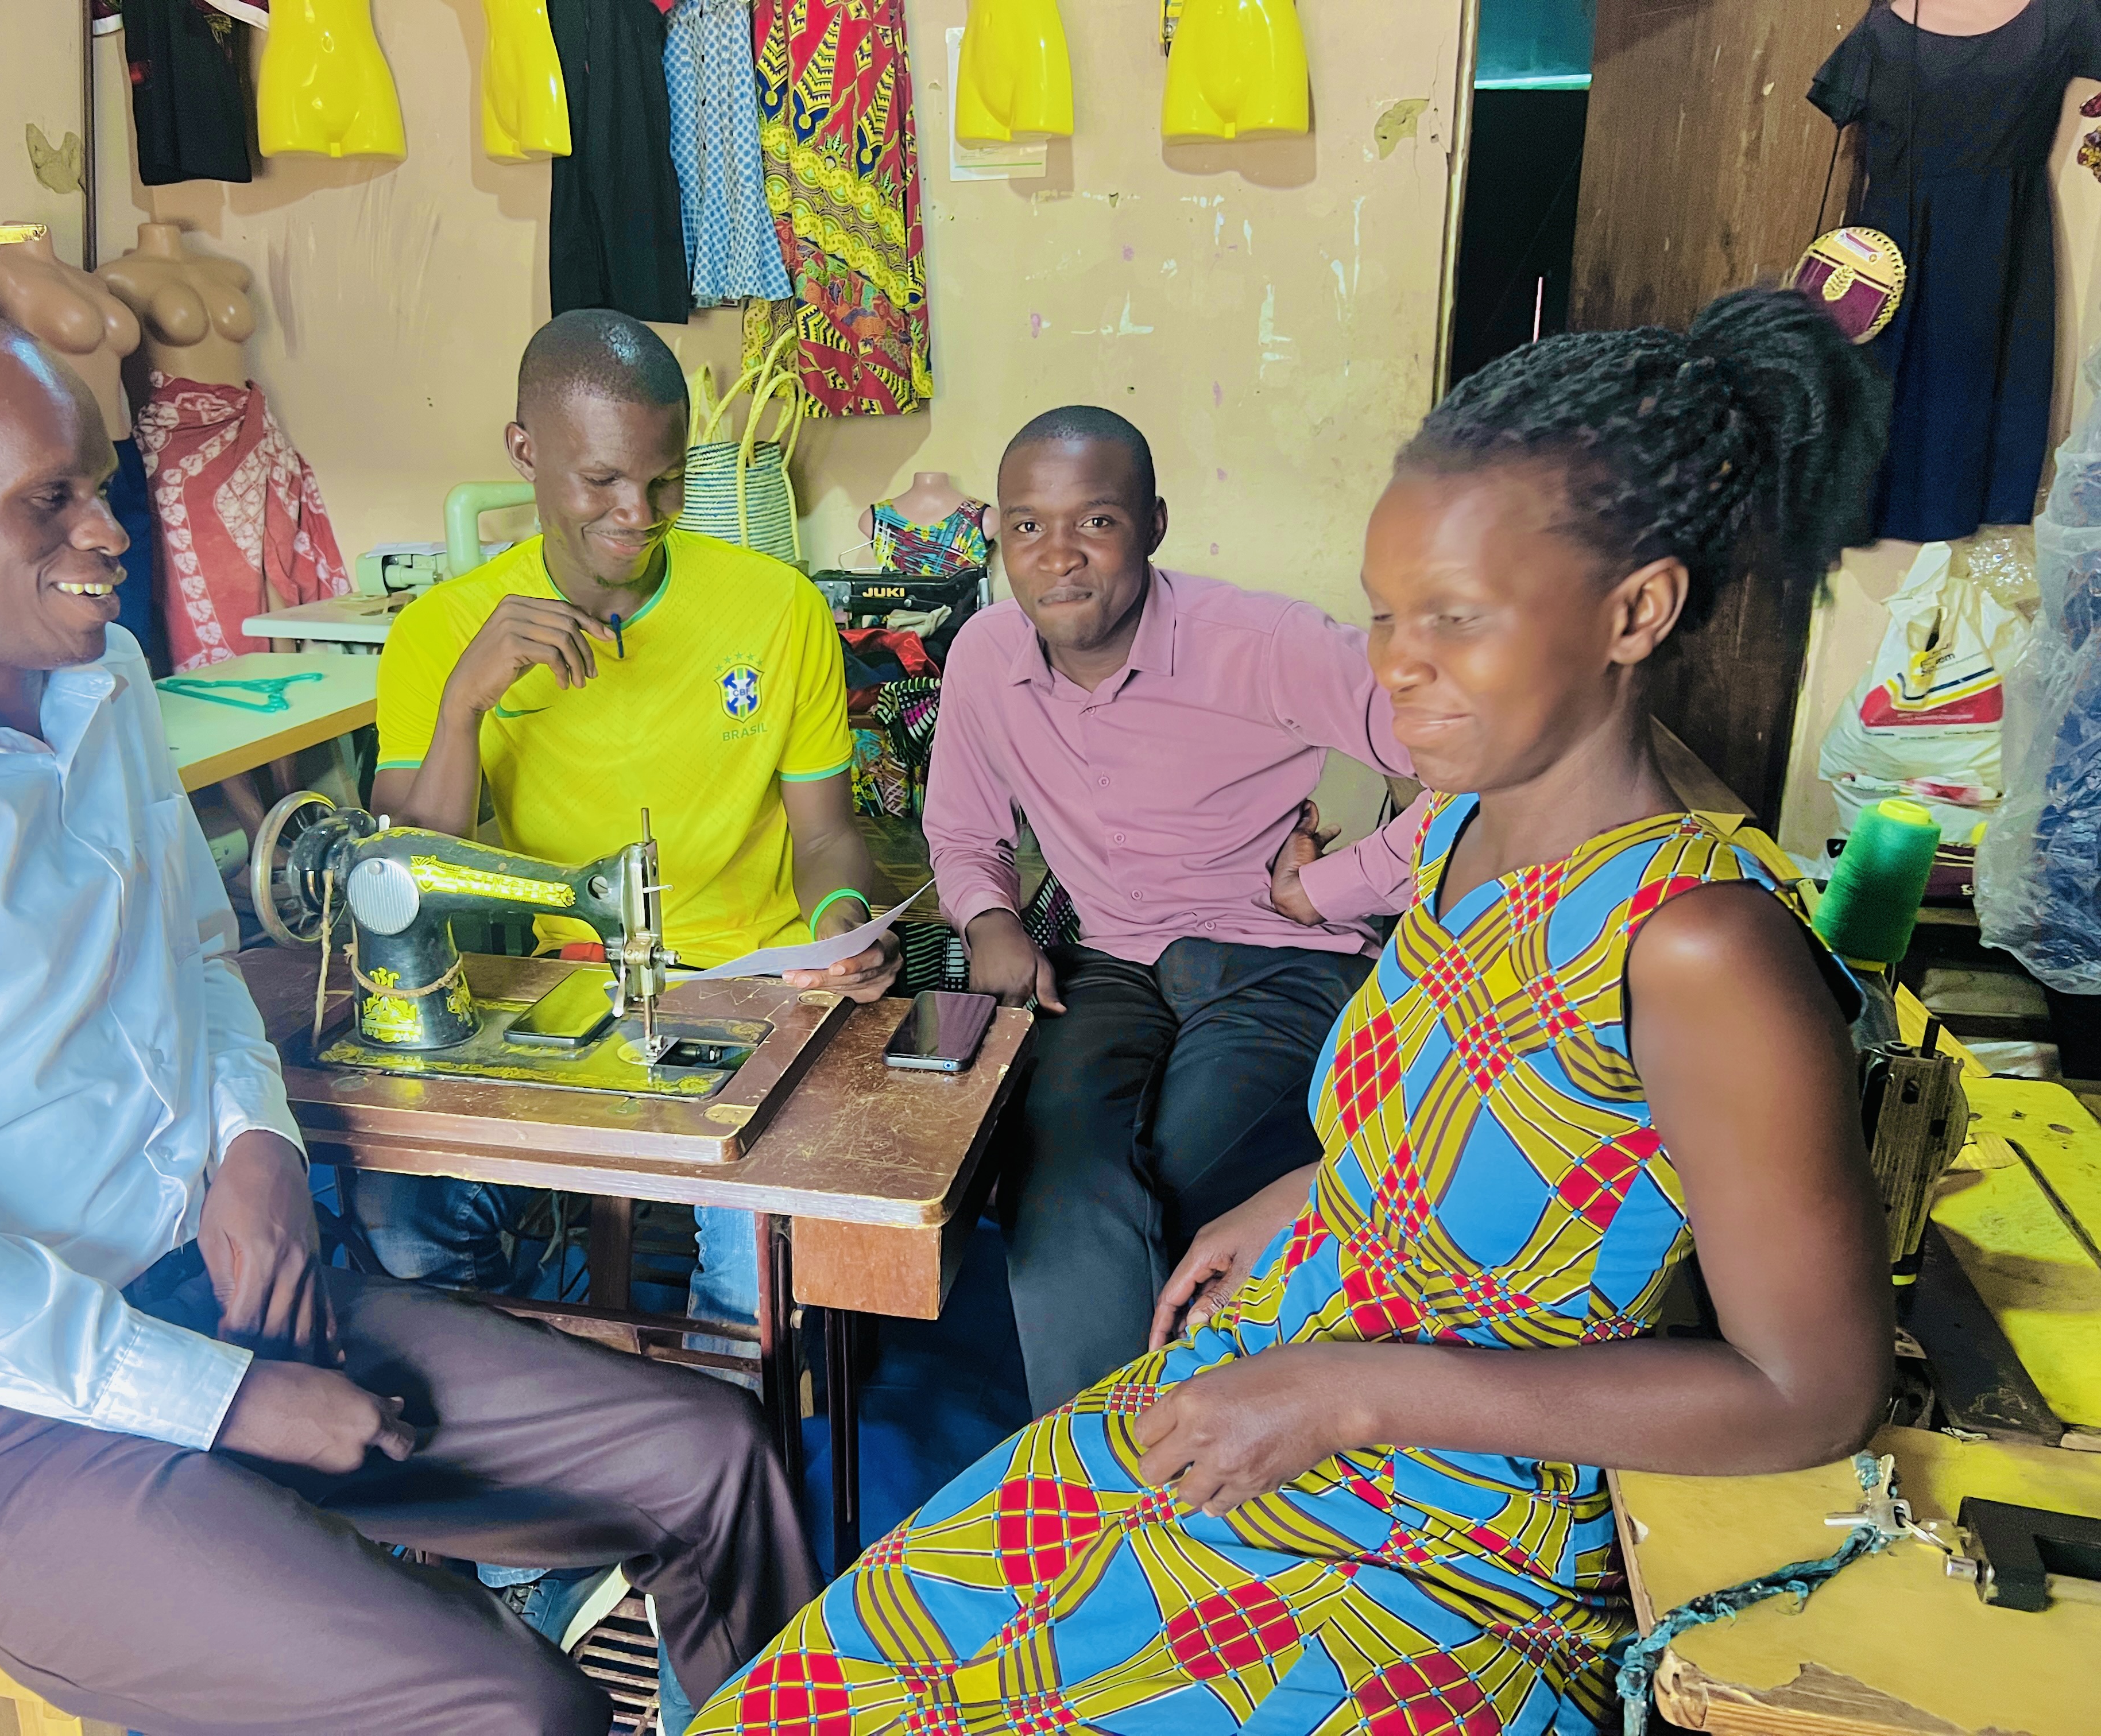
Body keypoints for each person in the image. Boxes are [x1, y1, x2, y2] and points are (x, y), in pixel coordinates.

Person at [685, 288, 1896, 1736]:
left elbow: (1811, 1396)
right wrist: (1304, 1200)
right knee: (806, 1699)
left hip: (1453, 1535)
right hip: (1284, 1372)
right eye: (1387, 616)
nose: (1393, 665)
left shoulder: (1695, 950)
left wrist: (1351, 1395)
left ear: (1635, 612)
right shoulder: (1459, 843)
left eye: (1457, 618)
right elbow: (1469, 1120)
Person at [0, 312, 819, 1736]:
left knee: (714, 1455)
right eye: (50, 503)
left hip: (211, 1285)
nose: (111, 536)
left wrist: (256, 1146)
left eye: (101, 484)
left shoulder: (102, 685)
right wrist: (216, 1398)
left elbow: (198, 957)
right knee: (513, 1712)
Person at [361, 308, 899, 1324]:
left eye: (663, 482)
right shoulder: (443, 633)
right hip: (556, 994)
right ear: (524, 450)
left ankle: (717, 1453)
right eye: (600, 481)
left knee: (760, 1294)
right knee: (403, 1214)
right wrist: (465, 702)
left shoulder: (774, 606)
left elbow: (827, 835)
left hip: (755, 987)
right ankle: (522, 1398)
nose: (638, 514)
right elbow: (404, 877)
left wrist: (837, 913)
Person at [923, 405, 1425, 1413]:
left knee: (1191, 1154)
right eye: (1027, 527)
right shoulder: (985, 656)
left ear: (1153, 524)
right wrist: (989, 921)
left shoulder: (1263, 641)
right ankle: (1097, 1463)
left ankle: (1218, 1420)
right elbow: (966, 836)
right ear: (996, 538)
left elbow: (1473, 774)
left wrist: (1330, 885)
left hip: (1275, 956)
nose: (1058, 558)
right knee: (1055, 1166)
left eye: (1094, 524)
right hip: (1106, 963)